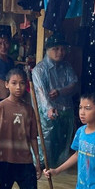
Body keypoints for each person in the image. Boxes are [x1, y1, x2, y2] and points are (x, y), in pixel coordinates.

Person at [0, 68, 42, 189]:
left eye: (22, 83)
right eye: (14, 83)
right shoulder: (0, 107)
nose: (18, 87)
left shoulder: (29, 109)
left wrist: (37, 162)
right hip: (2, 160)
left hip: (25, 162)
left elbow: (33, 138)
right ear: (6, 84)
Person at [32, 33, 78, 168]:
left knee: (62, 144)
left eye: (63, 49)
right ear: (48, 50)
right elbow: (40, 92)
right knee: (46, 144)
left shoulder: (67, 67)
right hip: (47, 113)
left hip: (65, 111)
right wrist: (48, 109)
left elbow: (74, 85)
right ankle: (42, 168)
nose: (60, 52)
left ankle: (58, 170)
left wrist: (60, 91)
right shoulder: (40, 69)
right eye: (56, 49)